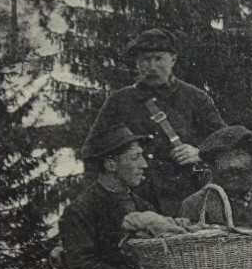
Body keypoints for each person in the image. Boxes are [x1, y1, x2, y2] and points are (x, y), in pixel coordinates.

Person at [84, 28, 226, 215]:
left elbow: (227, 141)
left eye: (158, 58)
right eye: (145, 60)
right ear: (137, 63)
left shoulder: (195, 98)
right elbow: (91, 151)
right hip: (134, 201)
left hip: (187, 200)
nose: (151, 66)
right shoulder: (119, 101)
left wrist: (200, 153)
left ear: (172, 59)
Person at [59, 123, 181, 269]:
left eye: (142, 157)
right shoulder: (80, 211)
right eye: (135, 158)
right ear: (111, 164)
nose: (144, 165)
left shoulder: (142, 205)